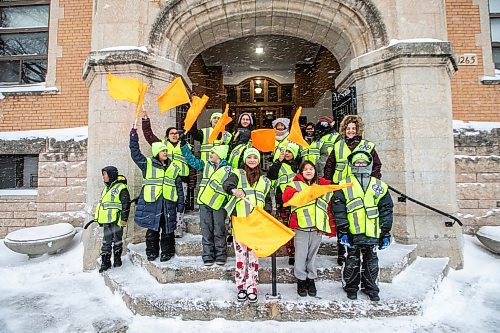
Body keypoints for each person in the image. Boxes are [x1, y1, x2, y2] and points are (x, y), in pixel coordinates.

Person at [332, 151, 393, 301]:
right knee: (352, 260)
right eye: (357, 162)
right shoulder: (344, 184)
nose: (360, 165)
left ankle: (371, 287)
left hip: (373, 231)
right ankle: (351, 287)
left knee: (371, 261)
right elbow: (338, 208)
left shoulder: (379, 185)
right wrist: (343, 230)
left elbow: (386, 209)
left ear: (369, 164)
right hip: (352, 230)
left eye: (363, 162)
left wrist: (385, 231)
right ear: (352, 164)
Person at [323, 114, 382, 266]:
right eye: (348, 128)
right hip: (341, 187)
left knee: (358, 217)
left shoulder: (367, 146)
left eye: (353, 129)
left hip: (360, 187)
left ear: (358, 130)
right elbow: (329, 166)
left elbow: (376, 165)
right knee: (341, 220)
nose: (350, 131)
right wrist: (328, 184)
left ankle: (359, 249)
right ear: (344, 130)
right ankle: (342, 252)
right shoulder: (338, 145)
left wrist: (373, 182)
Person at [223, 148, 272, 303]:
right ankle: (241, 286)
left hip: (256, 224)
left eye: (254, 157)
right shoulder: (237, 174)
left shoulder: (264, 180)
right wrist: (233, 190)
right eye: (249, 157)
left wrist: (267, 216)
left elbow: (267, 201)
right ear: (245, 159)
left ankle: (252, 286)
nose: (252, 160)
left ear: (258, 160)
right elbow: (227, 184)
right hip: (240, 222)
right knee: (240, 257)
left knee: (253, 257)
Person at [282, 161, 335, 297]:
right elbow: (286, 197)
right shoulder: (294, 184)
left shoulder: (322, 185)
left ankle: (311, 279)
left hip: (317, 226)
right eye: (305, 169)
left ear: (315, 171)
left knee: (312, 255)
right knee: (300, 255)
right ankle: (301, 279)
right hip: (301, 226)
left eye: (311, 168)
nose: (308, 171)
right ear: (301, 172)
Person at [130, 127, 182, 262]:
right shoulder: (147, 164)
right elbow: (135, 153)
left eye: (166, 150)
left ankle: (167, 252)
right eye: (162, 151)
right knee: (152, 230)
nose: (165, 152)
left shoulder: (174, 167)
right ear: (156, 153)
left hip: (168, 203)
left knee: (168, 230)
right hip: (153, 203)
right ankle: (151, 252)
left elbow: (178, 188)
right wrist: (133, 137)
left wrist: (180, 206)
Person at [180, 137, 232, 266]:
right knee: (206, 228)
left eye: (213, 152)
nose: (210, 154)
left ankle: (220, 254)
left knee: (219, 229)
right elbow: (192, 160)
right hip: (204, 201)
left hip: (219, 202)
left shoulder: (229, 169)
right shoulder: (205, 164)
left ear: (219, 155)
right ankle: (208, 254)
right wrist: (183, 147)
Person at [141, 111, 188, 238]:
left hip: (181, 179)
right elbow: (149, 136)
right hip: (166, 179)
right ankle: (170, 227)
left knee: (181, 204)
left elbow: (189, 161)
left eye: (176, 133)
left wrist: (191, 181)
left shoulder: (184, 145)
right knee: (168, 206)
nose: (175, 135)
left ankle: (179, 227)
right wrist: (146, 120)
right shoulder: (162, 145)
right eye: (171, 133)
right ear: (167, 136)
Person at [267, 142, 300, 265]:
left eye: (289, 152)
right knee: (288, 228)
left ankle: (299, 253)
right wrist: (278, 161)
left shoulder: (299, 165)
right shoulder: (278, 165)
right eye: (285, 151)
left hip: (298, 201)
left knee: (298, 229)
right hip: (284, 201)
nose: (287, 154)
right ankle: (291, 254)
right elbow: (271, 175)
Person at [95, 166, 131, 273]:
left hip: (117, 220)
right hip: (106, 220)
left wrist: (124, 220)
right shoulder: (106, 188)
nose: (103, 176)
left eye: (105, 174)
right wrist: (98, 218)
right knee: (106, 242)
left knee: (117, 241)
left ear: (111, 175)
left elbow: (126, 205)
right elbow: (102, 205)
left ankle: (117, 260)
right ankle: (105, 262)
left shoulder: (121, 188)